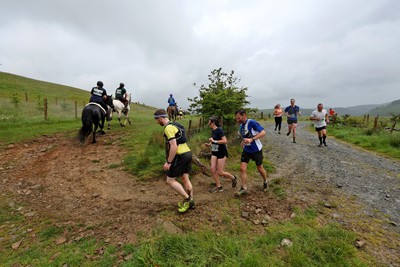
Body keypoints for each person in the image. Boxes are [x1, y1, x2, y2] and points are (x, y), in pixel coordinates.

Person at [154, 109, 195, 213]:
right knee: (185, 178)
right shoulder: (176, 124)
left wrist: (168, 162)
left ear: (160, 118)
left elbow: (173, 146)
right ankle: (191, 201)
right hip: (188, 153)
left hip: (180, 155)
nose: (156, 122)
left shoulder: (168, 128)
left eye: (156, 119)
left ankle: (187, 199)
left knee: (170, 180)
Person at [235, 109, 269, 196]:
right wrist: (243, 142)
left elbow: (263, 132)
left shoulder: (252, 122)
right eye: (236, 118)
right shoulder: (241, 126)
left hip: (256, 149)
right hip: (247, 150)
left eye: (239, 118)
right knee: (242, 168)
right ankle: (244, 188)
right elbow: (244, 136)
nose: (237, 120)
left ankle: (265, 181)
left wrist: (252, 139)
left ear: (244, 115)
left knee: (259, 168)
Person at [204, 116, 238, 193]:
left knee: (220, 172)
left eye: (209, 122)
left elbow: (225, 141)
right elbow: (214, 140)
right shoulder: (212, 130)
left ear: (213, 123)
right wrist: (209, 144)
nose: (208, 123)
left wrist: (214, 141)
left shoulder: (219, 130)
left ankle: (233, 178)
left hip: (221, 152)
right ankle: (219, 186)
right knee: (212, 169)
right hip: (214, 152)